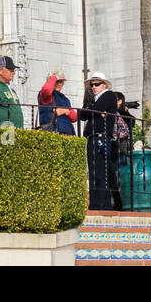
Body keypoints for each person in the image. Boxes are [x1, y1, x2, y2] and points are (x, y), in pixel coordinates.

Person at [75, 72, 120, 210]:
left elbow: (93, 110)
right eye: (92, 84)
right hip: (92, 138)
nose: (93, 87)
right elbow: (81, 115)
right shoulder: (95, 100)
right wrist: (92, 110)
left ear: (104, 84)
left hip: (101, 137)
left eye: (97, 84)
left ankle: (102, 205)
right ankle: (95, 204)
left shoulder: (108, 95)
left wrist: (92, 110)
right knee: (94, 173)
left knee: (101, 173)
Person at [37, 68, 77, 135]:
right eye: (57, 81)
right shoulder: (46, 95)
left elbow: (75, 117)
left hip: (68, 136)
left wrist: (66, 111)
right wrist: (55, 77)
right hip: (52, 135)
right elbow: (46, 89)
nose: (59, 84)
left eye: (61, 82)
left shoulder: (65, 99)